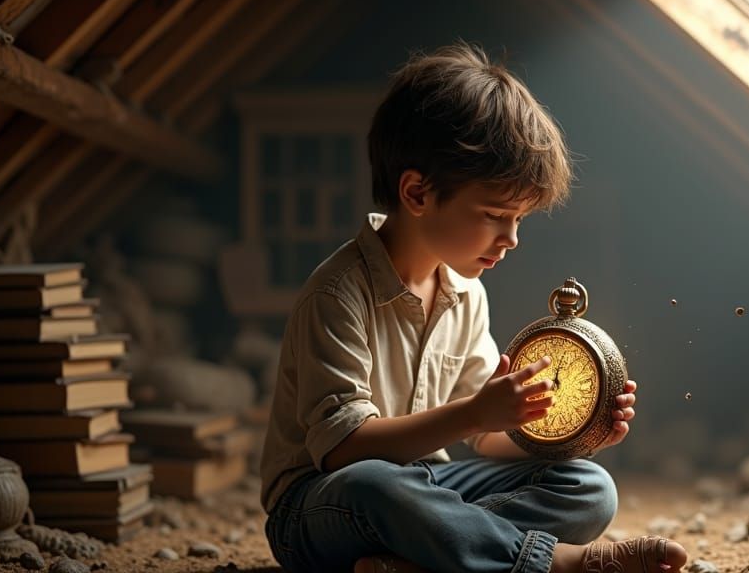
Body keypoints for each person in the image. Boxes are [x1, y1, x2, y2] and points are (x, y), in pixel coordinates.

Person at [260, 42, 688, 573]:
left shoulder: (466, 294)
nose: (510, 239)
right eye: (494, 214)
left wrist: (576, 431)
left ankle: (424, 557)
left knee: (587, 486)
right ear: (417, 193)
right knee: (376, 485)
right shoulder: (337, 294)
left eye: (520, 220)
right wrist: (473, 412)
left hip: (425, 488)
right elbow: (343, 450)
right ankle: (559, 565)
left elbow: (487, 437)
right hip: (321, 505)